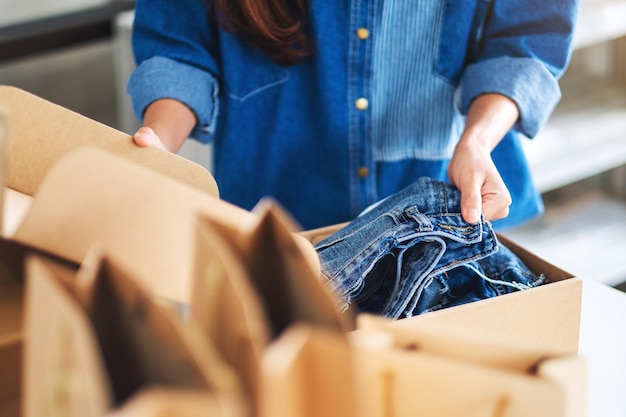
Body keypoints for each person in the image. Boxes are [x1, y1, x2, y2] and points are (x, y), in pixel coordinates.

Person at [127, 0, 579, 231]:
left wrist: (477, 141)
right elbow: (178, 44)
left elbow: (527, 40)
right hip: (272, 228)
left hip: (449, 224)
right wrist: (159, 144)